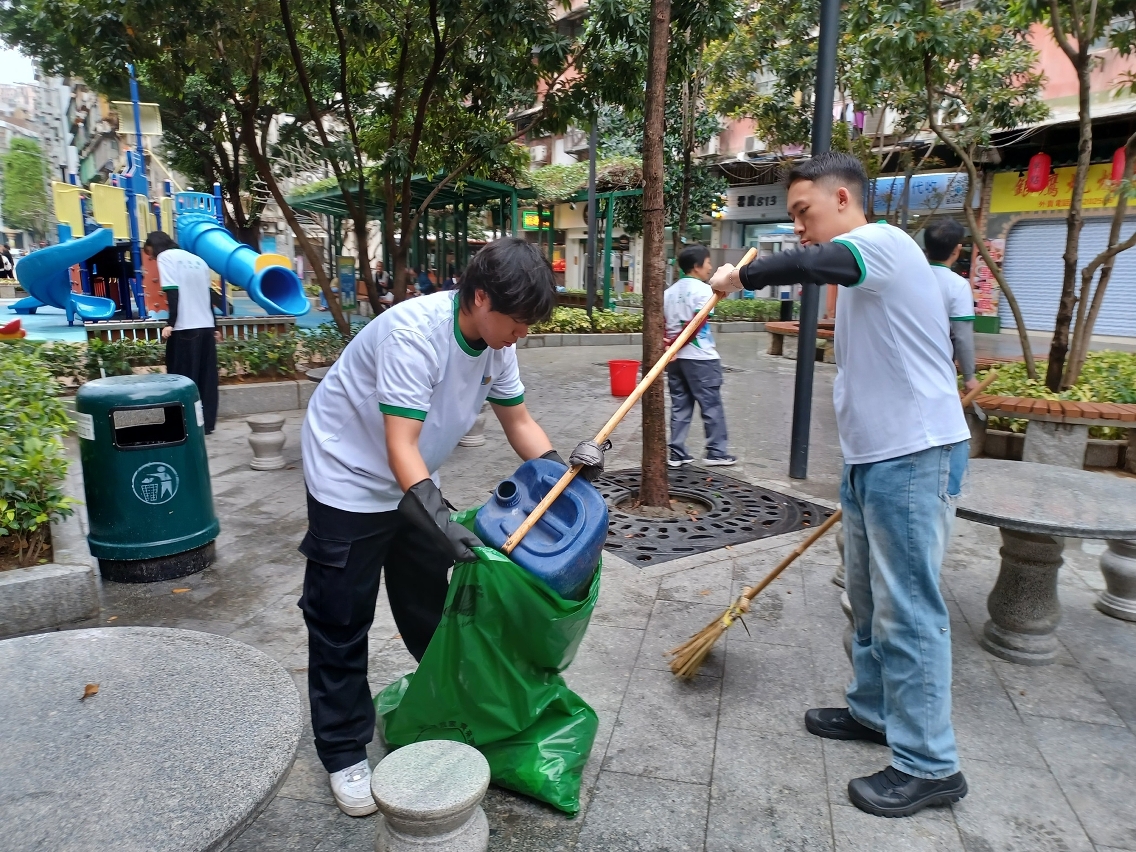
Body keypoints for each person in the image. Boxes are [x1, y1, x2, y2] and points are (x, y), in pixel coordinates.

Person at [299, 237, 607, 817]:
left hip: (412, 473)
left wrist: (565, 481)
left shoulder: (496, 342)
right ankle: (342, 751)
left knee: (435, 604)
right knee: (341, 615)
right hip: (348, 475)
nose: (521, 333)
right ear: (480, 297)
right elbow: (400, 444)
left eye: (529, 324)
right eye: (517, 321)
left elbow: (519, 421)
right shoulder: (414, 336)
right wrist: (440, 519)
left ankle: (448, 705)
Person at [710, 152, 970, 818]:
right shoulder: (865, 269)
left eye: (804, 212)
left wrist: (743, 273)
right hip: (873, 458)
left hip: (913, 454)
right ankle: (874, 711)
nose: (799, 228)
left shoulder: (881, 244)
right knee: (867, 600)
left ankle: (930, 765)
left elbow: (814, 262)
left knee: (908, 609)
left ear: (845, 201)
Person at [664, 243, 735, 467]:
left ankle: (677, 453)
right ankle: (716, 452)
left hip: (675, 360)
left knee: (680, 404)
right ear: (696, 266)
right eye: (708, 263)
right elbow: (697, 324)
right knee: (711, 405)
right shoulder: (704, 290)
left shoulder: (668, 293)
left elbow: (663, 324)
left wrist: (669, 346)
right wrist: (675, 344)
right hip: (701, 358)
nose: (710, 267)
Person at [144, 231, 220, 434]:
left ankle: (183, 425)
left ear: (155, 246)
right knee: (207, 378)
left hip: (185, 328)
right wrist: (215, 327)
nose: (152, 258)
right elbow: (209, 297)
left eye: (150, 253)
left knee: (182, 379)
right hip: (205, 327)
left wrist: (171, 323)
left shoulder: (166, 257)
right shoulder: (198, 260)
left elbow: (172, 292)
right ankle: (207, 424)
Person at [923, 219, 979, 394]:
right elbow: (962, 336)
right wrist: (969, 377)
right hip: (937, 368)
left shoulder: (906, 278)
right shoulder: (957, 285)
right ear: (957, 250)